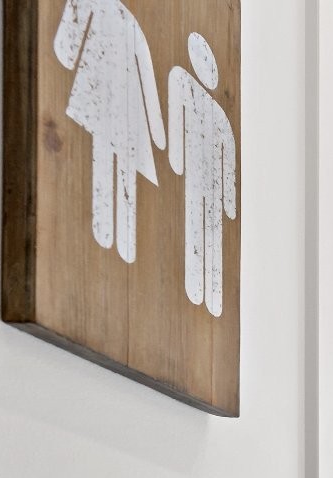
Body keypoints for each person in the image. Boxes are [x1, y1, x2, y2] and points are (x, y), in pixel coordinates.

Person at [53, 0, 165, 265]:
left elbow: (65, 47)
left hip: (101, 98)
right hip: (121, 106)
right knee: (117, 168)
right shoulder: (130, 23)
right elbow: (147, 79)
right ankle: (113, 238)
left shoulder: (114, 13)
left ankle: (105, 232)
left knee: (103, 160)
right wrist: (158, 134)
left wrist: (68, 55)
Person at [167, 33, 238, 317]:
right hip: (196, 181)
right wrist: (175, 160)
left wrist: (229, 203)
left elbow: (228, 152)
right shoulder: (181, 81)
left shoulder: (218, 113)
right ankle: (196, 289)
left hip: (213, 185)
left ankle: (209, 291)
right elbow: (176, 124)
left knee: (210, 234)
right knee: (196, 228)